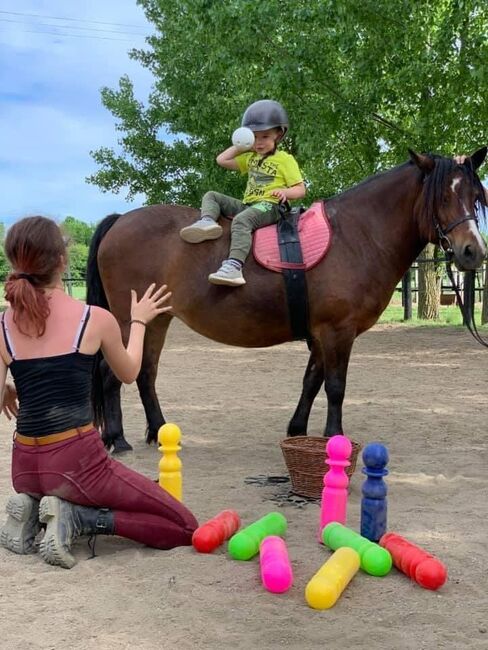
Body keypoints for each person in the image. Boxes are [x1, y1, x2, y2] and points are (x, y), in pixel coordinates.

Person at [0, 216, 198, 569]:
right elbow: (129, 372)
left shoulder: (2, 325)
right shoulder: (94, 318)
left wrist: (10, 389)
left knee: (88, 488)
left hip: (25, 468)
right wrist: (138, 321)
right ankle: (80, 519)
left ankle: (33, 507)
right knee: (183, 525)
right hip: (76, 465)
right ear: (62, 261)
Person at [179, 99, 306, 287]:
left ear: (278, 135)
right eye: (254, 137)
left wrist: (285, 191)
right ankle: (207, 222)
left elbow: (301, 189)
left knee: (242, 220)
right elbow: (222, 160)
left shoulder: (284, 159)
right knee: (212, 195)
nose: (259, 142)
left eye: (264, 136)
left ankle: (234, 266)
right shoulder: (250, 158)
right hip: (249, 204)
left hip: (270, 205)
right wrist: (242, 144)